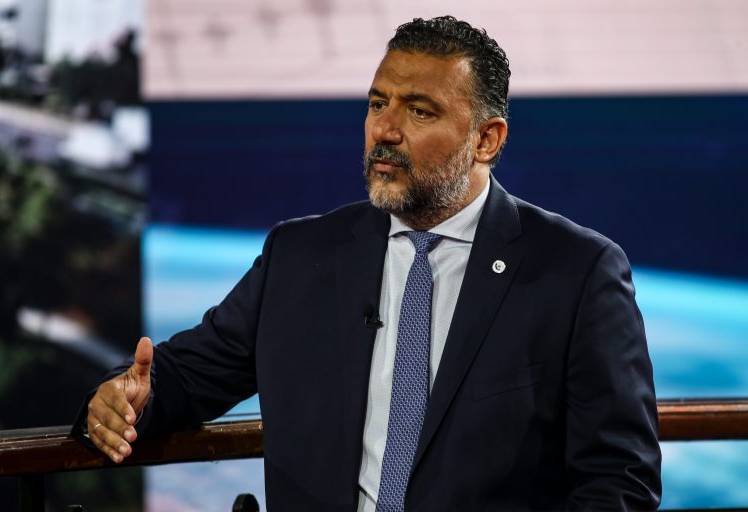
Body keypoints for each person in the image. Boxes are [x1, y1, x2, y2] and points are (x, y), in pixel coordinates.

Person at [75, 16, 662, 511]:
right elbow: (186, 376)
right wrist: (127, 398)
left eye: (420, 112)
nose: (384, 129)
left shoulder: (577, 272)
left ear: (486, 140)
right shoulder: (299, 255)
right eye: (378, 103)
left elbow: (619, 479)